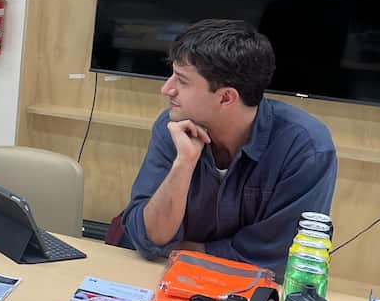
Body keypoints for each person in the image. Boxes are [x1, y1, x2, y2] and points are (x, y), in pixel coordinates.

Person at [120, 19, 337, 272]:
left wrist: (180, 250)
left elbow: (275, 258)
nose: (166, 89)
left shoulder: (306, 148)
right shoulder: (172, 128)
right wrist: (184, 164)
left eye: (182, 80)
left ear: (226, 97)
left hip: (247, 292)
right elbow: (149, 239)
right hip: (159, 276)